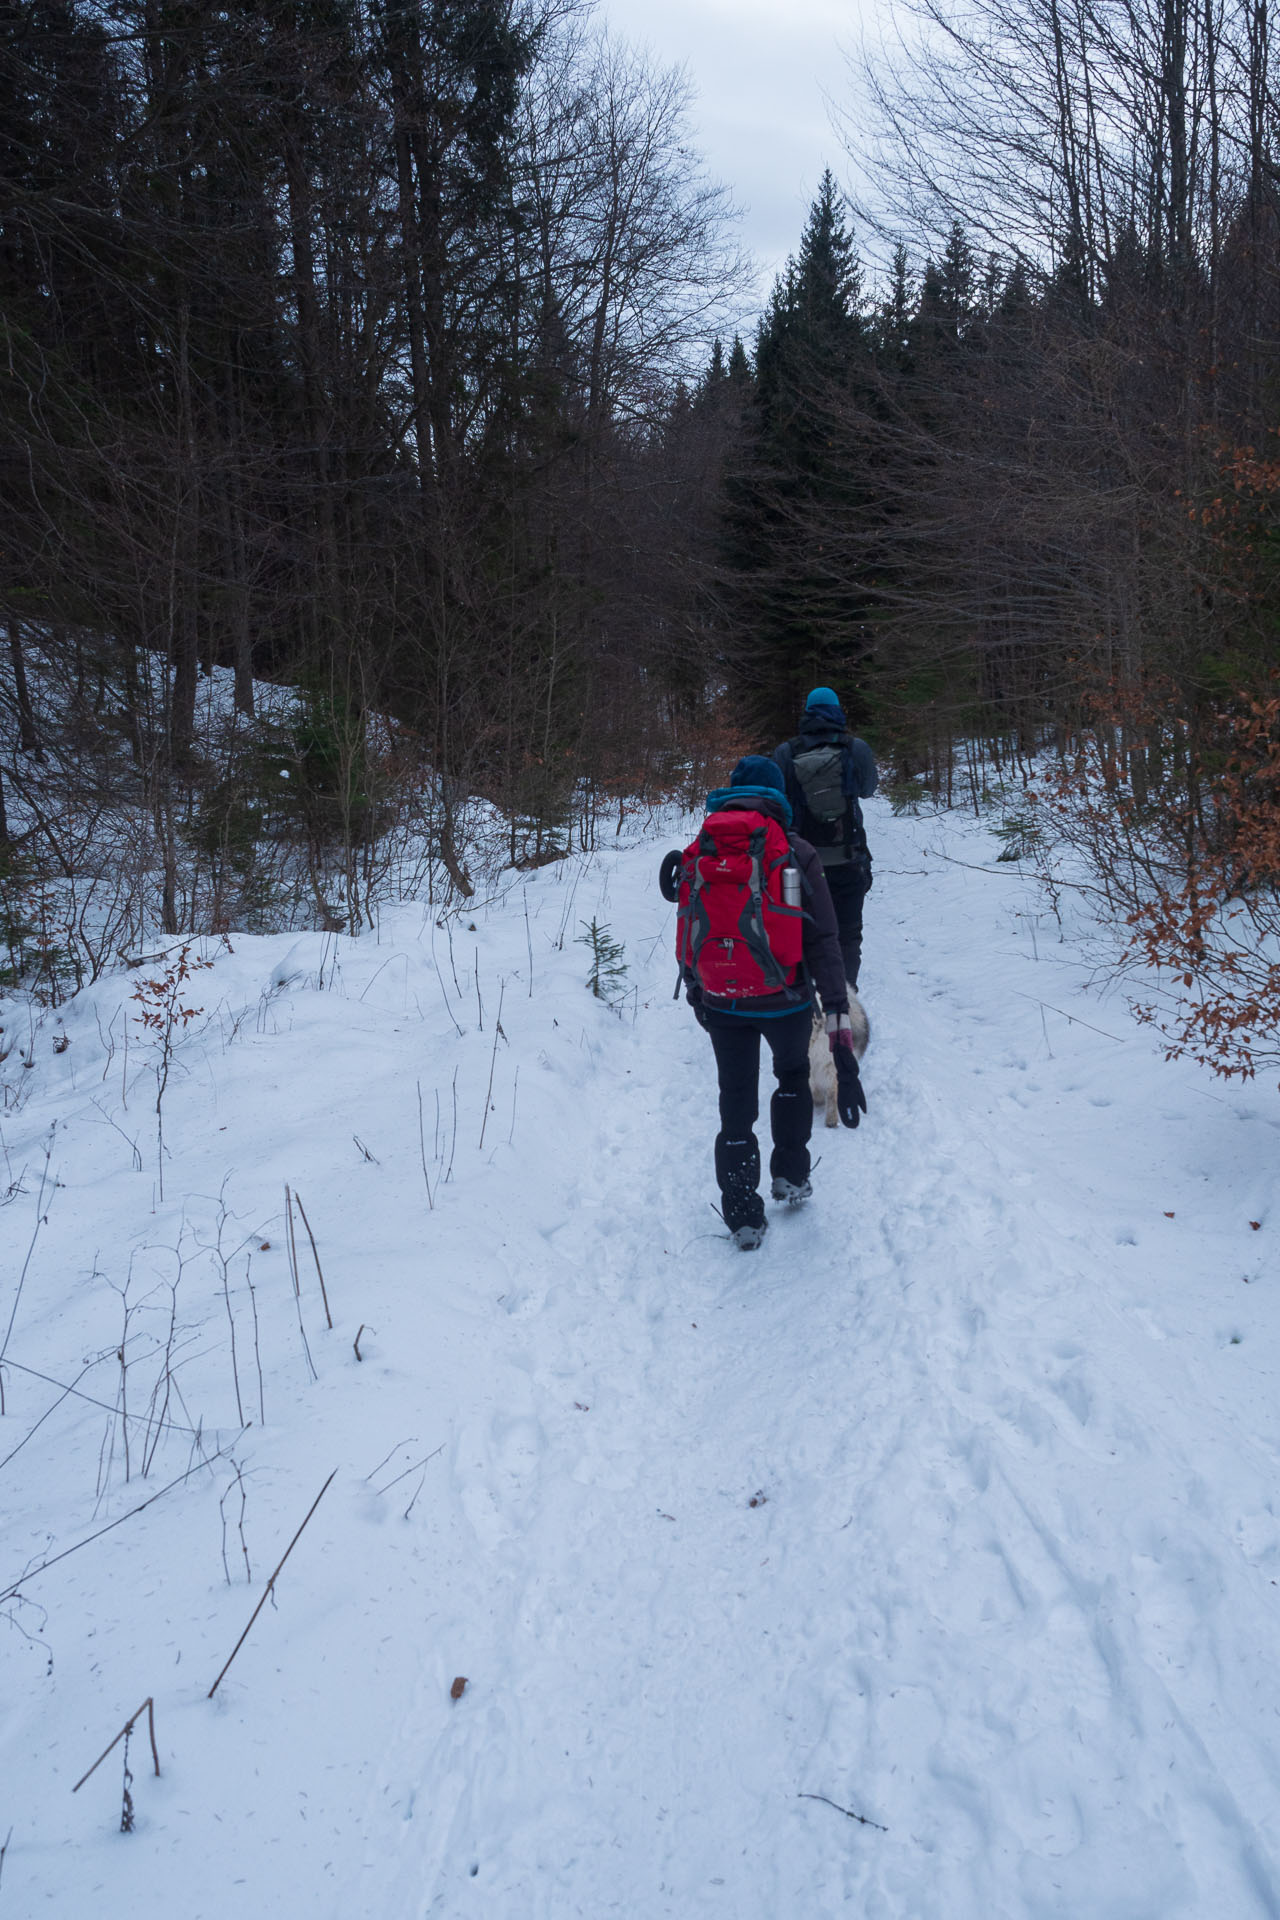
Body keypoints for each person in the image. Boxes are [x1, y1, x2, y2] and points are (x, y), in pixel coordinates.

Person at [659, 756, 865, 1251]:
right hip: (786, 997)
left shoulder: (700, 849)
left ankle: (743, 1215)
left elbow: (689, 926)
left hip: (722, 1001)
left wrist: (697, 991)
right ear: (779, 797)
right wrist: (836, 1012)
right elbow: (824, 940)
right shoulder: (794, 852)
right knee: (791, 1076)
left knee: (734, 1104)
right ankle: (790, 1177)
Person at [774, 687, 878, 989]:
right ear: (837, 710)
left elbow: (778, 804)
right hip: (849, 858)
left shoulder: (786, 752)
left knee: (802, 932)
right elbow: (868, 789)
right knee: (848, 933)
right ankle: (844, 998)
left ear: (807, 711)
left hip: (800, 863)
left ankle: (809, 1000)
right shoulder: (855, 748)